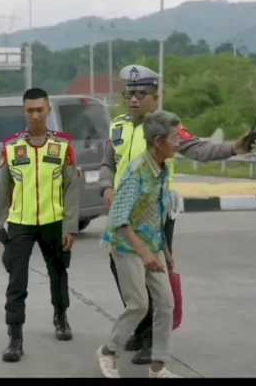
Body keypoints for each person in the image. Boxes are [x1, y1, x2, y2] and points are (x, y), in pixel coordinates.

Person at [99, 65, 256, 365]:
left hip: (152, 216)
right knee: (127, 280)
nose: (133, 100)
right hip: (121, 217)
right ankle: (138, 329)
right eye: (129, 93)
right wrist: (106, 188)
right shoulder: (117, 126)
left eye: (140, 94)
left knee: (155, 277)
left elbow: (199, 149)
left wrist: (233, 149)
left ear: (155, 97)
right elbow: (107, 163)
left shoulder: (166, 127)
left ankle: (152, 342)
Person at [0, 87, 80, 363]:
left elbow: (72, 187)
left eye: (40, 109)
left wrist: (70, 227)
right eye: (30, 110)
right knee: (17, 281)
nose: (36, 115)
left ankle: (61, 317)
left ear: (49, 110)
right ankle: (14, 338)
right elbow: (2, 189)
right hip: (20, 224)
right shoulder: (12, 148)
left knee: (58, 273)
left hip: (54, 222)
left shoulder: (62, 146)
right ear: (23, 111)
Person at [97, 110, 182, 379]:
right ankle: (108, 351)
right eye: (174, 138)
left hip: (152, 244)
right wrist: (144, 253)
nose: (178, 143)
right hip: (126, 245)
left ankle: (158, 366)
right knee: (138, 305)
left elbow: (158, 213)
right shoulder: (137, 172)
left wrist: (165, 251)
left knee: (166, 303)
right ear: (158, 141)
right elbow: (119, 219)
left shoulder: (163, 168)